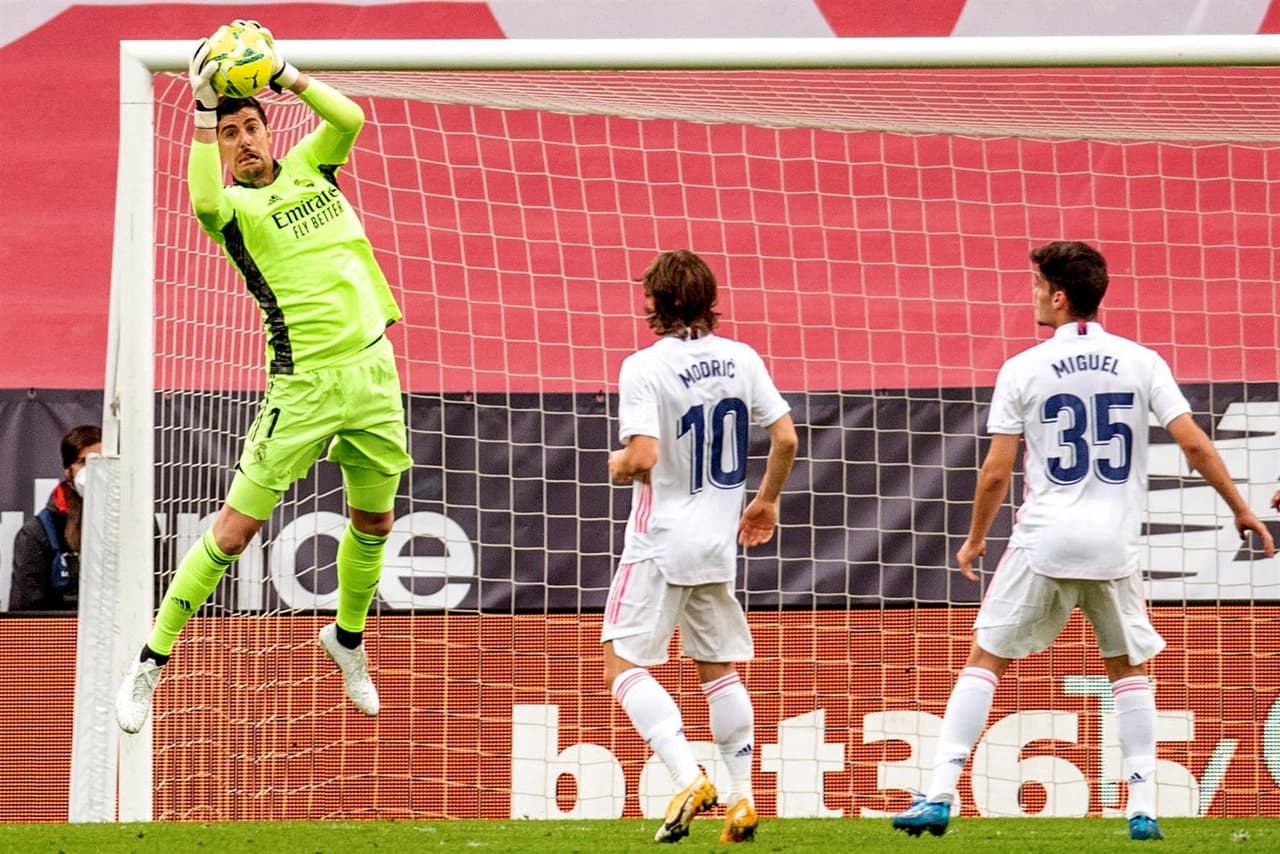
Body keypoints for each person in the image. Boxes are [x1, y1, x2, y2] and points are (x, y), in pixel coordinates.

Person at [892, 241, 1274, 842]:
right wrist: (1242, 509)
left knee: (985, 656)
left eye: (1038, 285)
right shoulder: (1140, 360)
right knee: (1127, 668)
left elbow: (995, 472)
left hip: (1043, 540)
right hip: (1114, 545)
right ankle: (1144, 806)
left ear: (1060, 296)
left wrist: (972, 542)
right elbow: (1195, 443)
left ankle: (940, 792)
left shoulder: (1023, 368)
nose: (1033, 295)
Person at [115, 20, 411, 734]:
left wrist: (284, 73)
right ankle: (150, 661)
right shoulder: (234, 211)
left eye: (252, 128)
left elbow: (352, 118)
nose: (244, 141)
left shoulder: (314, 164)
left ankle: (346, 640)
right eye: (230, 134)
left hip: (373, 373)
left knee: (374, 520)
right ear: (217, 145)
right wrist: (200, 109)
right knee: (235, 530)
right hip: (302, 387)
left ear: (270, 130)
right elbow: (204, 202)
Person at [603, 250, 797, 844]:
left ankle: (687, 775)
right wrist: (764, 502)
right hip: (718, 541)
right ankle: (743, 799)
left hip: (660, 541)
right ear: (708, 300)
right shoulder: (741, 358)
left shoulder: (645, 366)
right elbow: (785, 437)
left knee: (621, 660)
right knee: (717, 669)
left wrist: (615, 465)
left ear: (655, 304)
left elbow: (641, 458)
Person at [10, 425, 103, 612]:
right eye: (84, 462)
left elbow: (158, 593)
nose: (95, 470)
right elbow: (25, 613)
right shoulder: (37, 533)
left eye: (101, 462)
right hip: (59, 637)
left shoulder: (139, 526)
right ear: (68, 471)